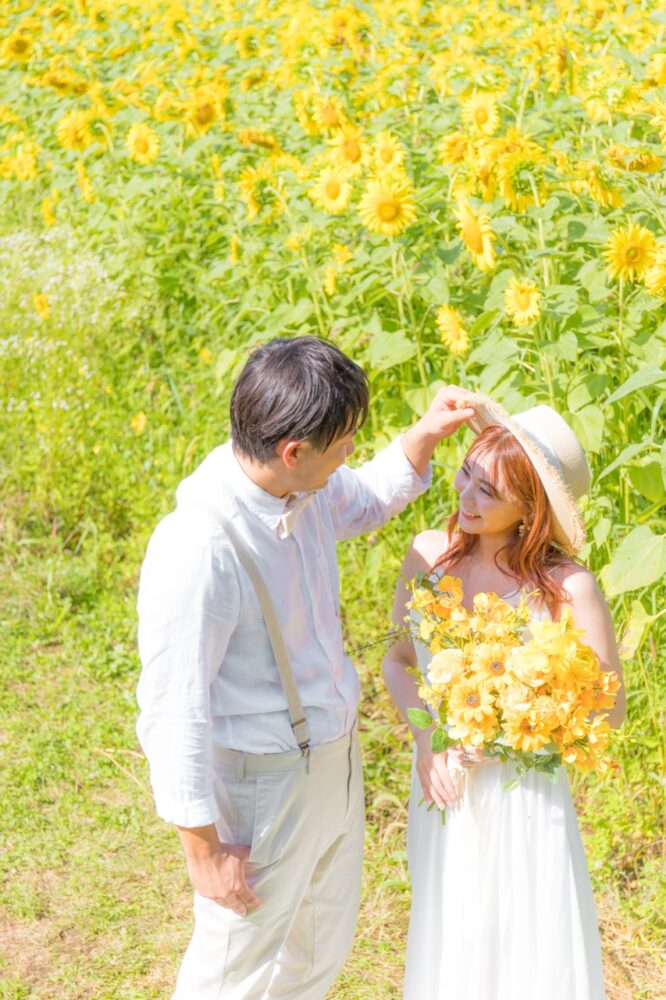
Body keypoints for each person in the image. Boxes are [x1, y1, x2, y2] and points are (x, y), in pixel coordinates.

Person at [136, 335, 475, 1000]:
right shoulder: (201, 546)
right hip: (263, 787)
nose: (351, 453)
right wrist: (204, 849)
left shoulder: (303, 486)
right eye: (344, 444)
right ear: (293, 451)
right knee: (232, 972)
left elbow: (367, 497)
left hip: (334, 762)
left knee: (319, 949)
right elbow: (174, 706)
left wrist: (425, 435)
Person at [383, 394, 625, 1000]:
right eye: (466, 473)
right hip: (445, 780)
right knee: (453, 932)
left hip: (525, 793)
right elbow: (397, 659)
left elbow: (610, 707)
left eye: (488, 492)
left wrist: (509, 733)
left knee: (529, 938)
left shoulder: (567, 587)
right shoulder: (428, 554)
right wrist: (427, 740)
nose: (465, 497)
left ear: (530, 507)